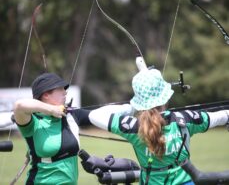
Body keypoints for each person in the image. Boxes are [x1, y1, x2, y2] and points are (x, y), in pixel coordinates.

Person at [88, 68, 229, 185]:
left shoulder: (133, 128)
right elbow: (222, 116)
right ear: (166, 97)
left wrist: (132, 107)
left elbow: (94, 115)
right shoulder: (186, 119)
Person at [14, 72, 91, 185]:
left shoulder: (70, 115)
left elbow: (101, 114)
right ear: (46, 94)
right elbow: (19, 105)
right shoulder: (33, 122)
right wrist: (51, 110)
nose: (65, 92)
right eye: (60, 89)